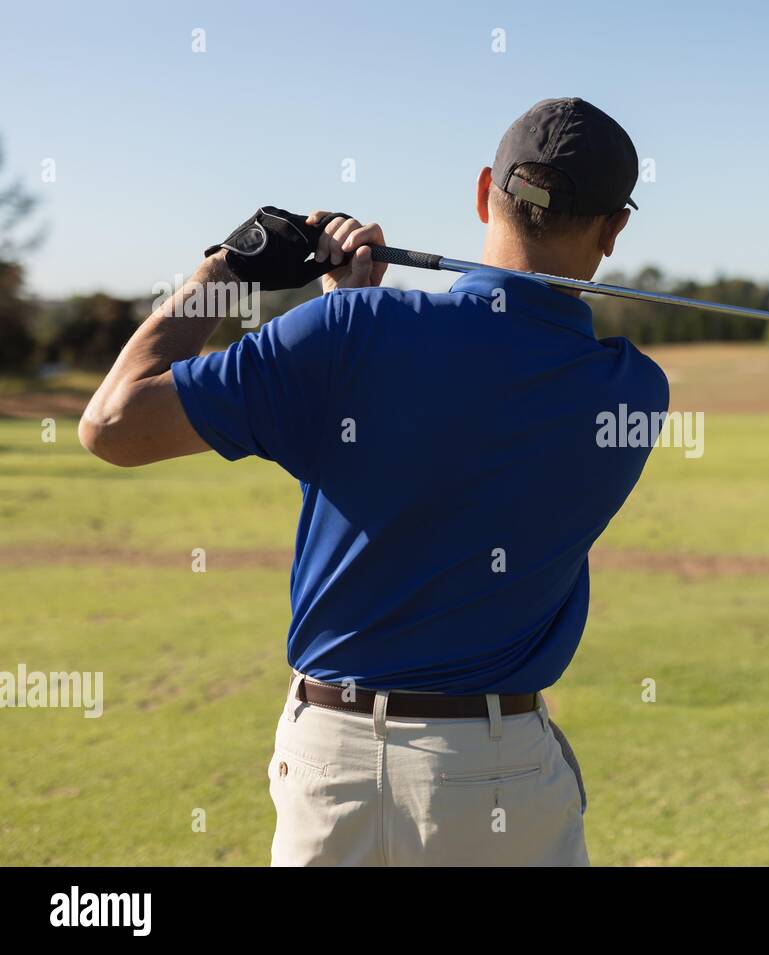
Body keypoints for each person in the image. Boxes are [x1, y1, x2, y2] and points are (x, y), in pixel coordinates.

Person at [78, 98, 667, 866]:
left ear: (485, 190)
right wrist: (351, 327)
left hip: (333, 768)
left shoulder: (348, 338)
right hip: (500, 776)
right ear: (615, 228)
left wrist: (235, 266)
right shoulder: (631, 394)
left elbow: (112, 425)